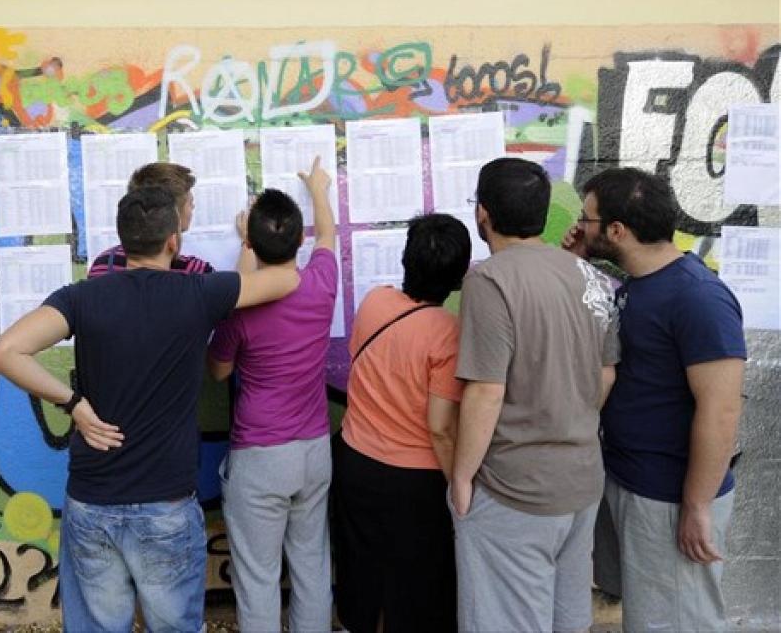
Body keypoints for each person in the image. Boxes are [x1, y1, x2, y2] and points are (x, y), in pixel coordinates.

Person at [0, 186, 299, 632]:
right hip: (166, 505)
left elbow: (5, 352)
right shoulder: (197, 294)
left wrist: (73, 405)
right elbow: (284, 280)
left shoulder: (82, 297)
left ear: (122, 239)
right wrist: (249, 239)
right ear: (174, 240)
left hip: (92, 500)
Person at [563, 167, 745, 631]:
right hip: (631, 479)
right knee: (647, 618)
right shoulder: (637, 285)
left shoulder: (698, 297)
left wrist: (697, 506)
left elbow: (722, 410)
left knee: (676, 621)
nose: (579, 227)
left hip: (669, 497)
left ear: (618, 231)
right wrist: (579, 259)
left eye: (587, 219)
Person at [450, 157, 620, 632]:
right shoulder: (587, 275)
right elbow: (607, 374)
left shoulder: (489, 280)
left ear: (482, 212)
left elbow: (486, 391)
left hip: (515, 489)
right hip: (582, 479)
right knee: (567, 618)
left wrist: (462, 478)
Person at [206, 157, 336, 632]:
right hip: (314, 450)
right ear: (296, 240)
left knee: (258, 578)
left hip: (261, 456)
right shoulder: (321, 284)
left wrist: (244, 244)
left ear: (252, 243)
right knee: (311, 566)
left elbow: (219, 371)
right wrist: (318, 188)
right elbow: (328, 238)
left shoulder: (239, 311)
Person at [331, 213, 471, 633]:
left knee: (362, 572)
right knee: (418, 587)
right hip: (416, 484)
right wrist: (457, 485)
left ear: (406, 259)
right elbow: (441, 427)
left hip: (355, 461)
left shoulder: (376, 302)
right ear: (459, 277)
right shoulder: (450, 333)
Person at [88, 162, 212, 276]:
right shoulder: (195, 272)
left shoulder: (104, 263)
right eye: (190, 202)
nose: (193, 207)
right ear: (172, 212)